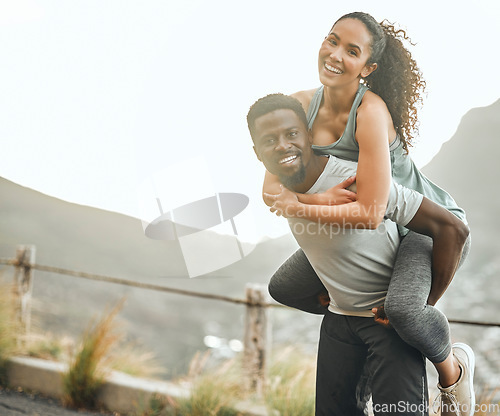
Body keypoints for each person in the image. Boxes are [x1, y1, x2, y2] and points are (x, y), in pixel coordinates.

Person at [260, 11, 474, 416]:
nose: (335, 54)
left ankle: (453, 372)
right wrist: (315, 202)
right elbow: (273, 188)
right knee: (286, 287)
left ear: (368, 67)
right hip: (372, 229)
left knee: (404, 312)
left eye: (352, 50)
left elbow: (371, 211)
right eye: (332, 39)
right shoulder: (302, 105)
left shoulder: (370, 112)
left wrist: (416, 308)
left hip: (423, 227)